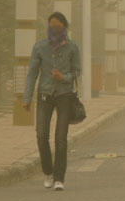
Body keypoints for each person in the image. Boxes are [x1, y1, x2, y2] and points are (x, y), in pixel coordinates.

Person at [23, 12, 81, 191]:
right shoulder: (40, 47)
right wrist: (27, 98)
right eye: (51, 26)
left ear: (64, 26)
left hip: (64, 95)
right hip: (44, 95)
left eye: (58, 26)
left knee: (61, 138)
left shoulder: (72, 47)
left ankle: (59, 178)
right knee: (41, 135)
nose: (54, 29)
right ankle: (48, 171)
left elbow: (77, 71)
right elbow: (32, 73)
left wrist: (64, 77)